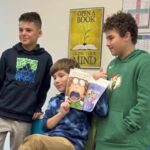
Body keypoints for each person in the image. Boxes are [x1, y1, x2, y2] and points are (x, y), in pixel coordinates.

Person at [18, 58, 108, 150]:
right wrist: (61, 114)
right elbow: (45, 126)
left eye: (61, 76)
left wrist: (95, 83)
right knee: (31, 141)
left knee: (34, 140)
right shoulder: (54, 101)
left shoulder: (84, 98)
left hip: (72, 143)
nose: (56, 80)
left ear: (74, 76)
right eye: (54, 77)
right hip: (51, 138)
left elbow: (102, 111)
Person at [94, 11, 150, 150]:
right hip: (104, 139)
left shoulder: (144, 62)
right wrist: (96, 84)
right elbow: (107, 101)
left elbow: (146, 104)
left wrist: (125, 127)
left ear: (126, 35)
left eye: (111, 38)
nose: (107, 43)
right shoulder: (112, 65)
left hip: (129, 142)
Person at [0, 12, 53, 150]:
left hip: (24, 117)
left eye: (28, 30)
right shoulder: (7, 54)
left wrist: (38, 107)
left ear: (39, 33)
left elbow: (44, 86)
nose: (23, 33)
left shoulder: (45, 59)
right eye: (21, 29)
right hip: (2, 112)